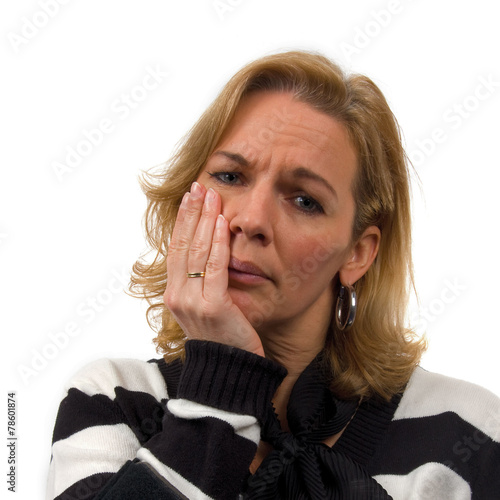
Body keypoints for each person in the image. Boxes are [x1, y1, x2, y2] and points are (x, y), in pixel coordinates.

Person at [46, 51, 500, 500]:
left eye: (304, 200)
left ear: (357, 254)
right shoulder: (112, 400)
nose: (251, 219)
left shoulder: (469, 431)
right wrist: (220, 389)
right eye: (230, 176)